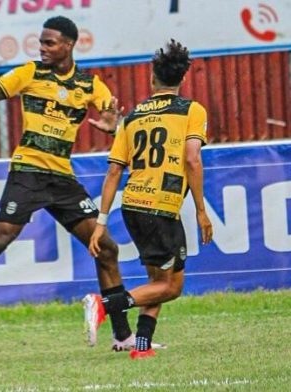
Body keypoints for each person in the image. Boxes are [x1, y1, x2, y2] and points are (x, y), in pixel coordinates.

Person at [0, 15, 135, 350]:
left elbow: (115, 119)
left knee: (106, 248)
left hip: (62, 179)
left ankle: (121, 335)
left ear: (69, 45)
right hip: (28, 172)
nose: (42, 48)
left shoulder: (90, 85)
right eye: (41, 42)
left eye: (50, 42)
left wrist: (114, 125)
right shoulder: (30, 73)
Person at [83, 39, 213, 359]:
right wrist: (200, 209)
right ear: (182, 79)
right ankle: (104, 305)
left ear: (151, 77)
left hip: (133, 205)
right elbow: (192, 159)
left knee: (157, 279)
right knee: (171, 286)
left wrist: (100, 223)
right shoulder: (192, 111)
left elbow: (114, 172)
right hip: (162, 207)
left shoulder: (133, 117)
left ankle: (141, 347)